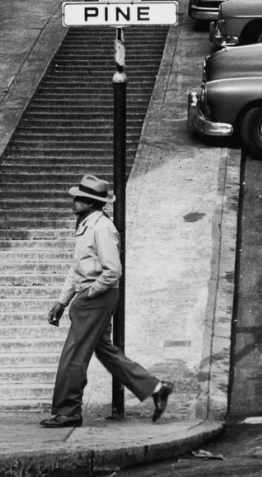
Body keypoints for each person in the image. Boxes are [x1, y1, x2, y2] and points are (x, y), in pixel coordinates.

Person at [40, 174, 173, 428]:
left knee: (74, 354)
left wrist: (89, 293)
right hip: (92, 296)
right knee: (106, 352)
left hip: (96, 296)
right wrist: (62, 301)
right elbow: (76, 267)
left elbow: (113, 270)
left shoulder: (101, 228)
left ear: (91, 203)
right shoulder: (86, 225)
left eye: (80, 198)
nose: (74, 201)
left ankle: (68, 411)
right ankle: (156, 388)